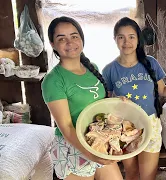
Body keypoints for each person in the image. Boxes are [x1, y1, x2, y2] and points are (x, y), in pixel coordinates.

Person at [102, 17, 166, 180]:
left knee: (148, 176)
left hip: (150, 124)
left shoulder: (150, 63)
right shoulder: (109, 70)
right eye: (121, 37)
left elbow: (163, 90)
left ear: (138, 39)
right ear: (114, 39)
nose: (126, 42)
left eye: (131, 36)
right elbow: (105, 102)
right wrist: (117, 102)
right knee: (131, 173)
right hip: (125, 127)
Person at [41, 16, 123, 180]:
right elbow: (66, 127)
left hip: (98, 138)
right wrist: (89, 153)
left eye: (74, 36)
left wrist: (116, 102)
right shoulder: (53, 81)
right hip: (74, 146)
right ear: (52, 44)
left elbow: (98, 106)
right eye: (61, 38)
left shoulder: (92, 67)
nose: (69, 42)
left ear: (81, 39)